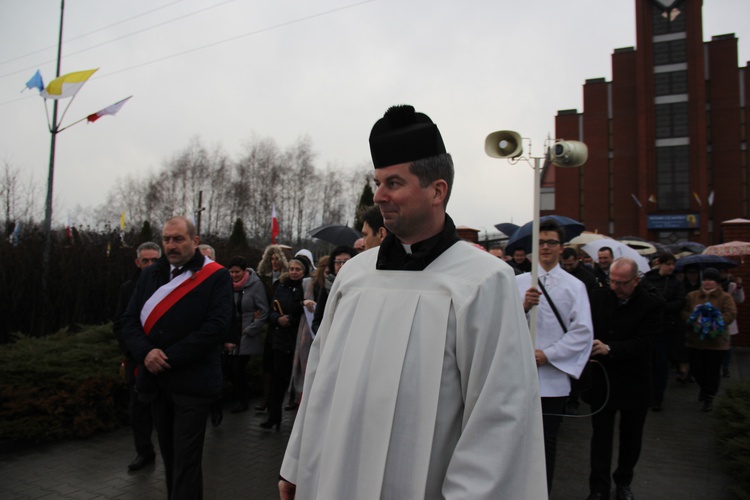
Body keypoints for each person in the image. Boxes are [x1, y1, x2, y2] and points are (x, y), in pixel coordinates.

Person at [279, 104, 546, 499]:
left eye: (394, 183)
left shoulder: (484, 281)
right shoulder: (354, 276)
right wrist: (297, 466)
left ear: (437, 191)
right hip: (333, 481)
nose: (379, 195)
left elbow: (500, 415)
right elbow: (319, 381)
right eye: (378, 182)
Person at [121, 216, 233, 500]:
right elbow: (130, 320)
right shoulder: (151, 274)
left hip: (193, 384)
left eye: (178, 239)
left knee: (186, 461)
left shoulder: (216, 275)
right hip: (157, 383)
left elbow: (216, 327)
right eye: (167, 239)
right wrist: (146, 353)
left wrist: (166, 357)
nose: (171, 245)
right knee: (170, 458)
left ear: (195, 241)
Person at [517, 219, 593, 496]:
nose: (546, 247)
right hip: (518, 378)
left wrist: (548, 355)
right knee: (517, 443)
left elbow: (582, 332)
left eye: (551, 242)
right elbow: (499, 325)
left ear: (562, 248)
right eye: (540, 242)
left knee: (546, 444)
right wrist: (522, 307)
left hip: (552, 380)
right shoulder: (517, 283)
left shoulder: (574, 287)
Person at [584, 258, 664, 500]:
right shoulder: (597, 297)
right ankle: (598, 487)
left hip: (635, 381)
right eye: (612, 281)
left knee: (631, 438)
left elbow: (648, 343)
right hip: (603, 380)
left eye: (622, 283)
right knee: (601, 438)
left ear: (636, 280)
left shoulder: (652, 304)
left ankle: (624, 481)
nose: (615, 287)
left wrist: (611, 348)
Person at [113, 241, 161, 472]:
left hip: (164, 359)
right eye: (145, 260)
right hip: (137, 359)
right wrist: (135, 351)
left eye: (154, 260)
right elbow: (120, 324)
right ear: (137, 262)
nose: (150, 264)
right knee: (139, 411)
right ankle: (144, 452)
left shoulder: (170, 285)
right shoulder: (127, 288)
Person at [261, 257, 308, 430]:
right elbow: (271, 309)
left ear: (304, 271)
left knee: (299, 380)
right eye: (292, 269)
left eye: (298, 269)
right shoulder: (282, 286)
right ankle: (274, 416)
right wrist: (277, 319)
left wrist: (292, 319)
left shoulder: (306, 287)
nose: (294, 272)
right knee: (277, 380)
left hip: (297, 338)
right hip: (280, 339)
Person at [684, 267, 737, 412]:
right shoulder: (692, 295)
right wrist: (695, 321)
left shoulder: (725, 297)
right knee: (697, 369)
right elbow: (685, 311)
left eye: (711, 279)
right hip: (695, 341)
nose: (707, 282)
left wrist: (714, 322)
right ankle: (703, 387)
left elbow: (730, 314)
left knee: (712, 371)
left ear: (717, 282)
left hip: (716, 343)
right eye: (705, 279)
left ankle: (709, 397)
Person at [224, 256, 269, 414]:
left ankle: (242, 401)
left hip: (246, 333)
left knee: (238, 368)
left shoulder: (255, 285)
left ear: (244, 272)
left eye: (237, 272)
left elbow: (263, 310)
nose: (234, 275)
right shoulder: (227, 285)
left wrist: (251, 328)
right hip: (231, 333)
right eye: (231, 272)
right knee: (228, 368)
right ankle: (242, 393)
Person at [642, 253, 685, 410]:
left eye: (673, 264)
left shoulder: (676, 283)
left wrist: (662, 306)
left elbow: (680, 302)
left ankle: (657, 397)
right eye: (668, 264)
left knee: (661, 363)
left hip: (666, 328)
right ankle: (646, 393)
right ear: (659, 264)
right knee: (648, 363)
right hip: (648, 327)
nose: (671, 267)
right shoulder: (648, 279)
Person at [289, 255, 329, 410]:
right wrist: (303, 303)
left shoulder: (334, 284)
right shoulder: (308, 284)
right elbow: (293, 306)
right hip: (307, 332)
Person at [255, 245, 289, 412]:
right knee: (267, 364)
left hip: (281, 324)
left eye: (277, 259)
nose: (274, 262)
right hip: (269, 323)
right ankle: (265, 398)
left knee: (278, 365)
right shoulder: (264, 279)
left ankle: (276, 401)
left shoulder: (287, 279)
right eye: (272, 259)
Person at [310, 246, 357, 334]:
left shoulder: (360, 286)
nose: (342, 265)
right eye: (338, 262)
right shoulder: (327, 286)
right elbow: (317, 321)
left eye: (346, 262)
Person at [719, 269, 744, 377]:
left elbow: (740, 299)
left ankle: (726, 367)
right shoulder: (713, 285)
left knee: (729, 345)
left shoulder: (732, 285)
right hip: (715, 318)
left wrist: (738, 288)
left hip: (728, 319)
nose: (723, 273)